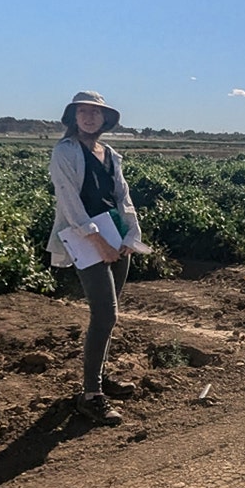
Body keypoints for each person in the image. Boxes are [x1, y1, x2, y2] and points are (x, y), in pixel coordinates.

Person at [47, 91, 151, 427]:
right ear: (74, 118)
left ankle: (100, 379)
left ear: (105, 119)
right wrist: (99, 241)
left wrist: (129, 237)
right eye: (83, 112)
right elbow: (70, 202)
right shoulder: (65, 152)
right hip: (86, 238)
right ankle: (91, 395)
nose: (89, 117)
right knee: (105, 313)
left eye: (95, 112)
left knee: (108, 316)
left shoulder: (110, 155)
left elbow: (123, 198)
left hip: (115, 235)